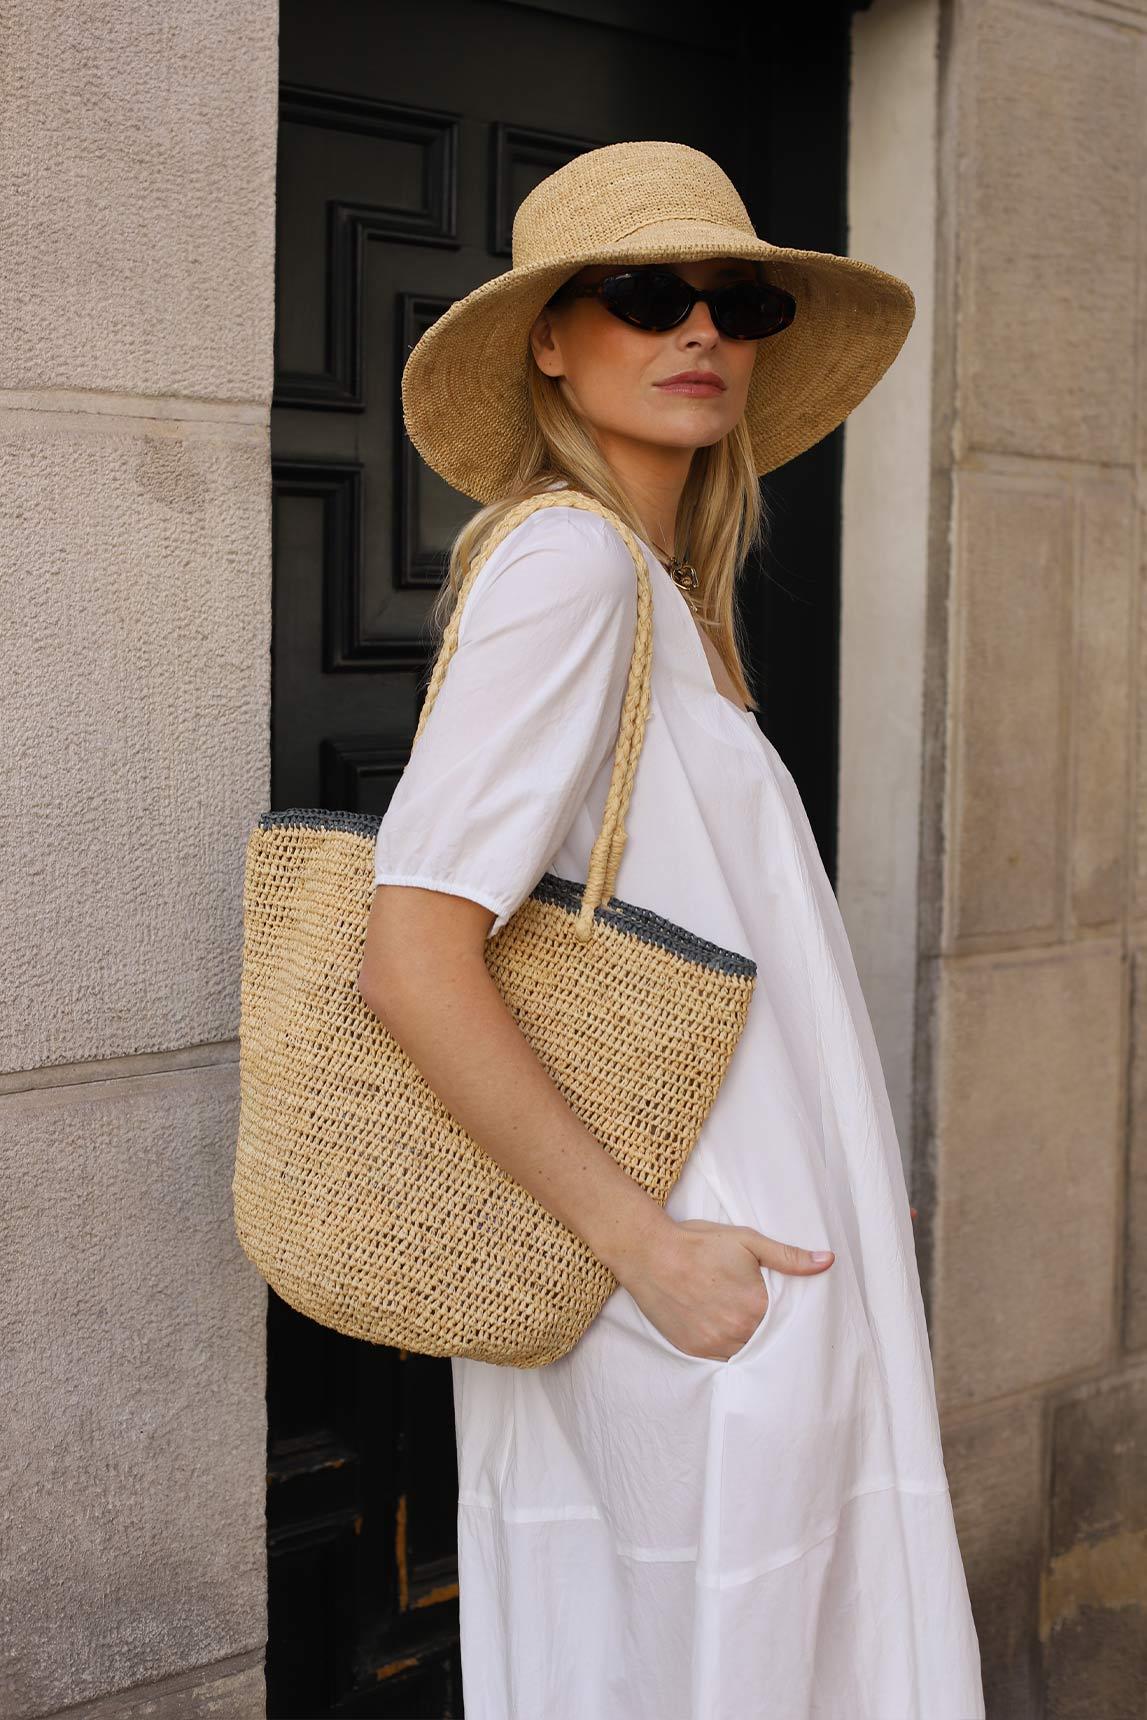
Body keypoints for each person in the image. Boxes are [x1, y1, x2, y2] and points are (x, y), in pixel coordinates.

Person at [357, 141, 985, 1720]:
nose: (700, 328)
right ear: (549, 341)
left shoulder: (655, 589)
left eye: (737, 301)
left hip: (727, 1265)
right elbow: (412, 953)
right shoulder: (569, 566)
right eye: (646, 294)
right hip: (677, 1281)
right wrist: (649, 1250)